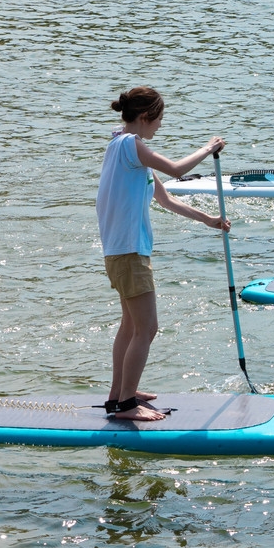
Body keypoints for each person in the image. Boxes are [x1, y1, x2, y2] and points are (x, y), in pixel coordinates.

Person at [97, 86, 229, 422]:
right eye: (158, 120)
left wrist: (209, 220)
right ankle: (126, 404)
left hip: (121, 253)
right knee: (147, 328)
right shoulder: (131, 145)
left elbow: (166, 199)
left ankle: (120, 392)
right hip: (128, 253)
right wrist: (208, 147)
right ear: (145, 117)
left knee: (130, 327)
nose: (159, 127)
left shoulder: (121, 146)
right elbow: (176, 170)